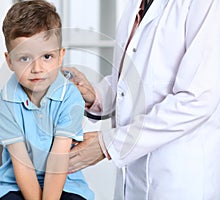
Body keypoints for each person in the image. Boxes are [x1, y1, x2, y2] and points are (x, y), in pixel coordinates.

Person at [65, 0, 220, 199]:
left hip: (178, 179)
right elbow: (133, 81)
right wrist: (95, 96)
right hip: (132, 179)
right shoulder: (137, 4)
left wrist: (109, 144)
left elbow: (197, 99)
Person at [0, 1, 94, 200]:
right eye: (25, 59)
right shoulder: (5, 102)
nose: (37, 68)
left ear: (60, 56)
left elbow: (58, 160)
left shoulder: (70, 97)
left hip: (65, 180)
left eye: (47, 56)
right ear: (9, 61)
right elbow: (22, 164)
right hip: (15, 183)